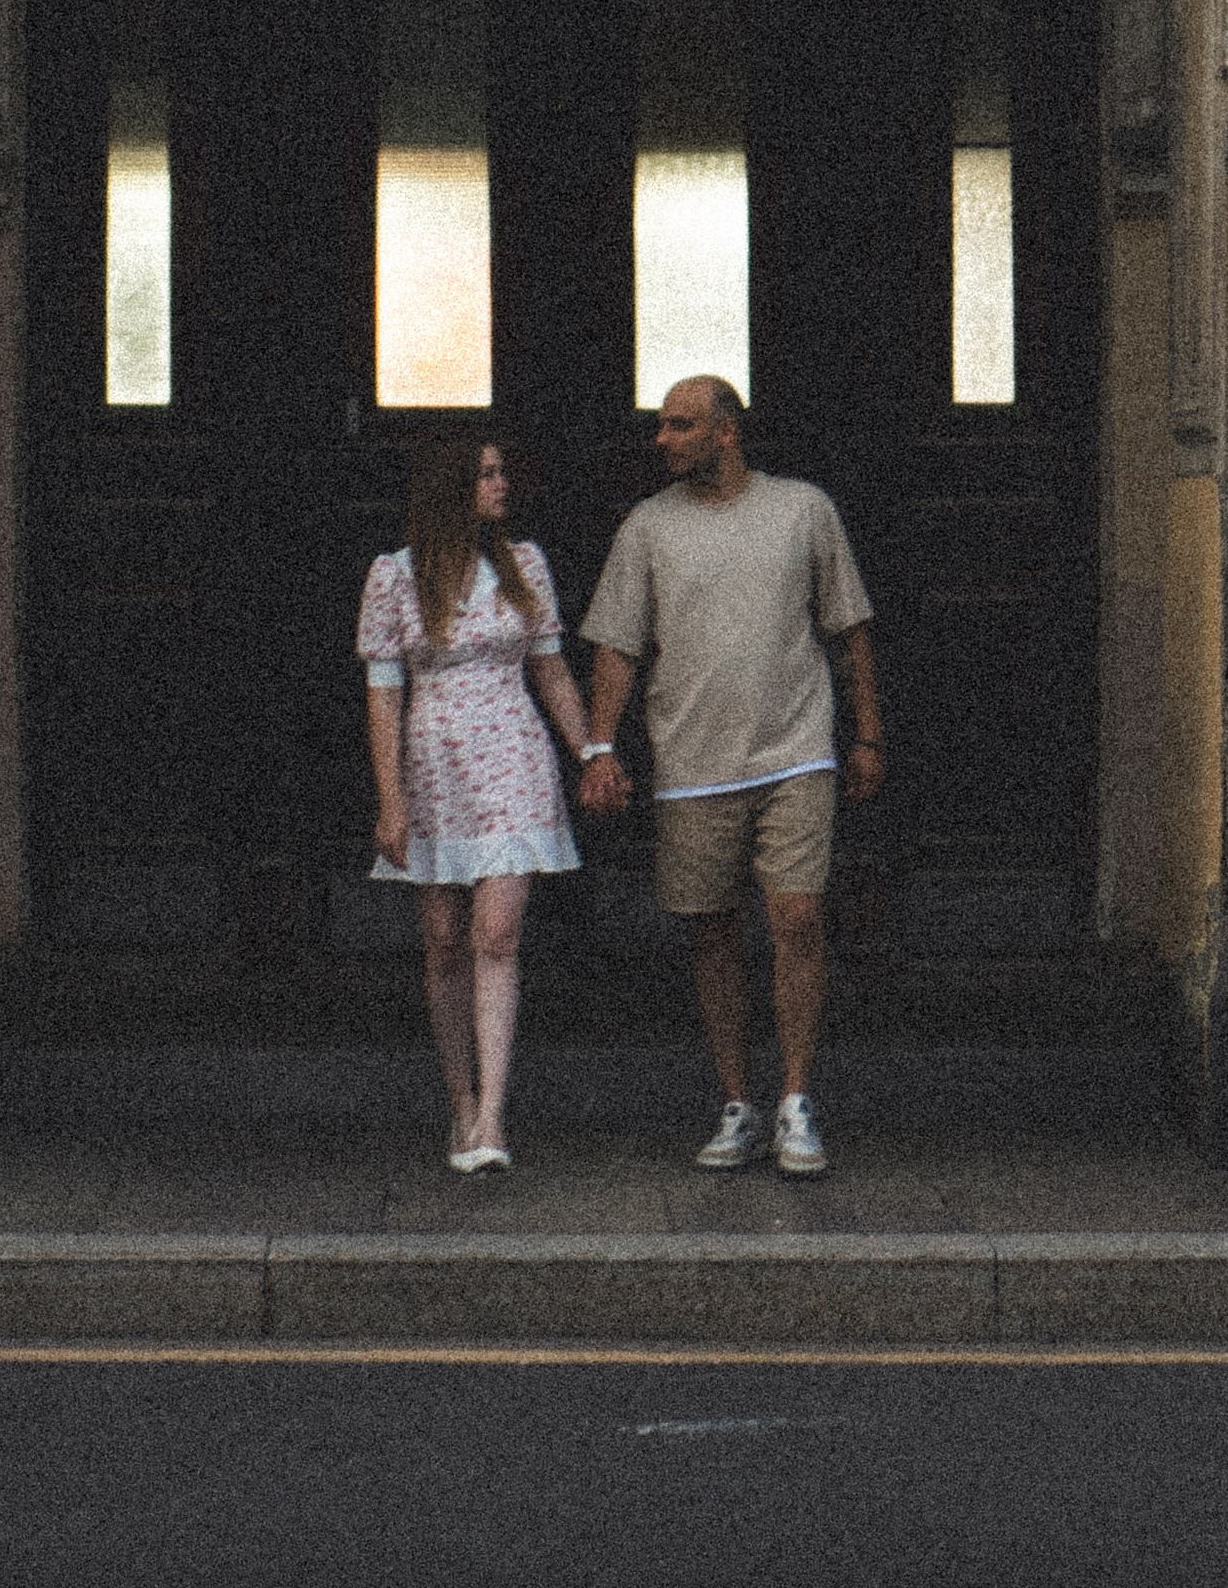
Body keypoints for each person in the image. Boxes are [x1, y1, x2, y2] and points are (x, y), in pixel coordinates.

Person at [575, 375, 883, 1177]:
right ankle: (738, 1101)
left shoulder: (802, 510)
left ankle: (796, 1099)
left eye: (680, 426)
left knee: (796, 919)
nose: (663, 440)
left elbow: (848, 631)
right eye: (663, 426)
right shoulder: (647, 528)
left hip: (796, 751)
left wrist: (868, 737)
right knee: (712, 933)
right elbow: (617, 646)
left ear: (726, 433)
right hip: (692, 762)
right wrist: (600, 746)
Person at [357, 432, 600, 1172]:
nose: (501, 485)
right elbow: (383, 698)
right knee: (442, 938)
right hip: (436, 764)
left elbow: (552, 672)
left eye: (503, 471)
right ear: (451, 486)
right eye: (487, 474)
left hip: (514, 760)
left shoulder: (524, 565)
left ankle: (494, 1112)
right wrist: (390, 802)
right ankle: (459, 1100)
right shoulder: (395, 577)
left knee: (496, 933)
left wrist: (592, 751)